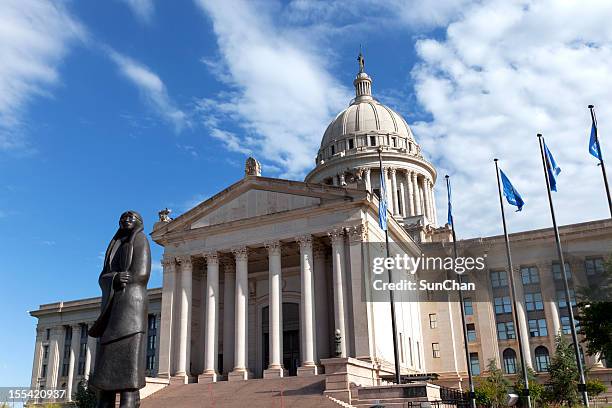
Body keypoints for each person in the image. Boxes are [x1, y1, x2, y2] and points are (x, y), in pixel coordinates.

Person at [89, 211, 151, 408]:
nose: (126, 220)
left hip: (131, 310)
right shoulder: (114, 247)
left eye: (130, 218)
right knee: (105, 373)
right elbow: (102, 276)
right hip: (111, 312)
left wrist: (125, 279)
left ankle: (130, 402)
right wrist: (114, 278)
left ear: (138, 222)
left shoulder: (141, 241)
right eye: (123, 218)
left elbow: (141, 274)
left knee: (129, 373)